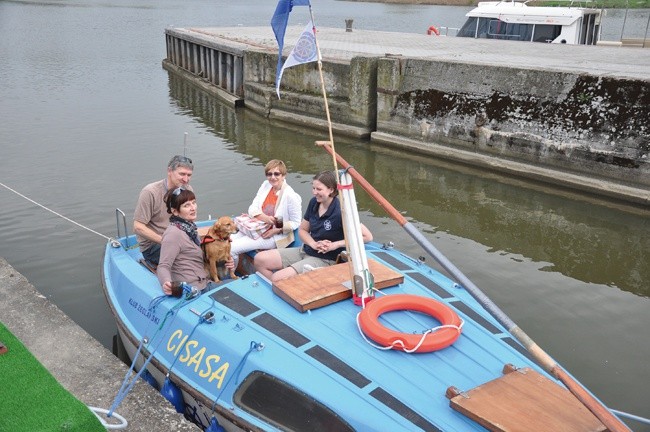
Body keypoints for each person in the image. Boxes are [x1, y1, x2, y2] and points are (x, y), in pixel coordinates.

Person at [254, 170, 372, 282]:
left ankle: (282, 287)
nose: (314, 192)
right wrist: (313, 244)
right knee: (259, 259)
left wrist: (335, 245)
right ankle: (281, 289)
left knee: (277, 278)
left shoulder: (342, 210)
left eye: (319, 189)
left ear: (331, 189)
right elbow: (303, 230)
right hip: (306, 250)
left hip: (325, 259)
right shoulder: (314, 202)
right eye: (313, 188)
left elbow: (367, 236)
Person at [156, 187, 233, 295]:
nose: (193, 208)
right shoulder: (173, 235)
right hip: (196, 288)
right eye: (186, 205)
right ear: (175, 211)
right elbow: (164, 265)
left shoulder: (189, 229)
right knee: (243, 286)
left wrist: (226, 261)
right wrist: (166, 283)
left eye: (193, 203)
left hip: (204, 280)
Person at [230, 160, 302, 268]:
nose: (272, 177)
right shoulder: (266, 185)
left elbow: (296, 222)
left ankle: (233, 276)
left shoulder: (290, 195)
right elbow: (252, 208)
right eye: (269, 174)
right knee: (228, 240)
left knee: (232, 248)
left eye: (276, 174)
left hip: (274, 235)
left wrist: (276, 229)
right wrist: (265, 218)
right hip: (257, 228)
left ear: (284, 175)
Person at [134, 155, 194, 266]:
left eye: (189, 175)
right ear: (169, 171)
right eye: (182, 174)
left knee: (207, 253)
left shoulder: (187, 189)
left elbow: (189, 219)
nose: (186, 179)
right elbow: (138, 226)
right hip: (154, 245)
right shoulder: (150, 192)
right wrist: (166, 241)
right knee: (188, 261)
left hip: (179, 238)